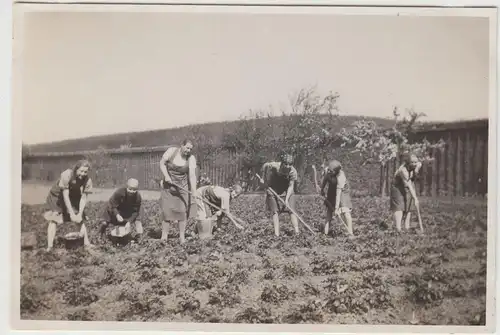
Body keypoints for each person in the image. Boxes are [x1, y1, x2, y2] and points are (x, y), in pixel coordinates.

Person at [43, 160, 93, 252]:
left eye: (85, 172)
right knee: (54, 219)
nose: (83, 174)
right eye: (81, 171)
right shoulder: (67, 174)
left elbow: (83, 198)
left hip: (73, 197)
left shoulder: (87, 180)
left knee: (79, 219)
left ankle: (86, 244)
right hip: (57, 196)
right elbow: (65, 195)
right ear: (76, 169)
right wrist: (71, 214)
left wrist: (79, 214)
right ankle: (49, 247)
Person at [159, 140, 198, 244]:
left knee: (182, 212)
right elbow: (162, 164)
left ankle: (182, 237)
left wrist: (194, 190)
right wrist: (166, 176)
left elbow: (192, 175)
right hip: (168, 187)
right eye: (187, 148)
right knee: (167, 212)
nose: (188, 150)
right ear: (182, 146)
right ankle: (164, 237)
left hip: (182, 188)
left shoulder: (191, 158)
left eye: (190, 149)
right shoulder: (171, 151)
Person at [259, 153, 299, 237]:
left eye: (290, 164)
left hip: (286, 189)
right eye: (286, 164)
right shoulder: (275, 166)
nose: (288, 166)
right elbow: (265, 165)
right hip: (273, 188)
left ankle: (297, 233)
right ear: (282, 163)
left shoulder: (293, 171)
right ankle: (276, 234)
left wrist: (287, 200)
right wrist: (263, 178)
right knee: (275, 212)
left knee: (291, 210)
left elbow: (291, 186)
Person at [99, 178, 144, 242]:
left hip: (127, 211)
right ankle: (101, 234)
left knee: (138, 222)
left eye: (134, 189)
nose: (132, 191)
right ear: (126, 187)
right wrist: (117, 215)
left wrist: (129, 221)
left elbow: (136, 211)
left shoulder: (138, 197)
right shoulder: (119, 192)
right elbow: (112, 205)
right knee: (104, 223)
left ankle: (139, 238)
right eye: (130, 189)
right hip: (113, 209)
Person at [319, 160, 354, 237]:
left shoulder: (341, 177)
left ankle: (350, 233)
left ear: (335, 171)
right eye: (328, 170)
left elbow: (338, 194)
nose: (328, 171)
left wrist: (337, 208)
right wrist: (322, 189)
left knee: (345, 212)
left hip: (343, 192)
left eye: (331, 171)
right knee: (329, 212)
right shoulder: (328, 171)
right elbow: (325, 179)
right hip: (332, 189)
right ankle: (325, 233)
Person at [390, 153, 422, 232]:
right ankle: (398, 229)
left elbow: (412, 180)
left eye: (415, 162)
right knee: (399, 207)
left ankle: (406, 228)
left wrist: (416, 170)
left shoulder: (418, 165)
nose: (414, 164)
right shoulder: (402, 170)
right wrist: (415, 198)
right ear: (408, 162)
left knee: (408, 207)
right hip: (397, 188)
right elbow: (408, 184)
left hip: (408, 185)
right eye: (412, 162)